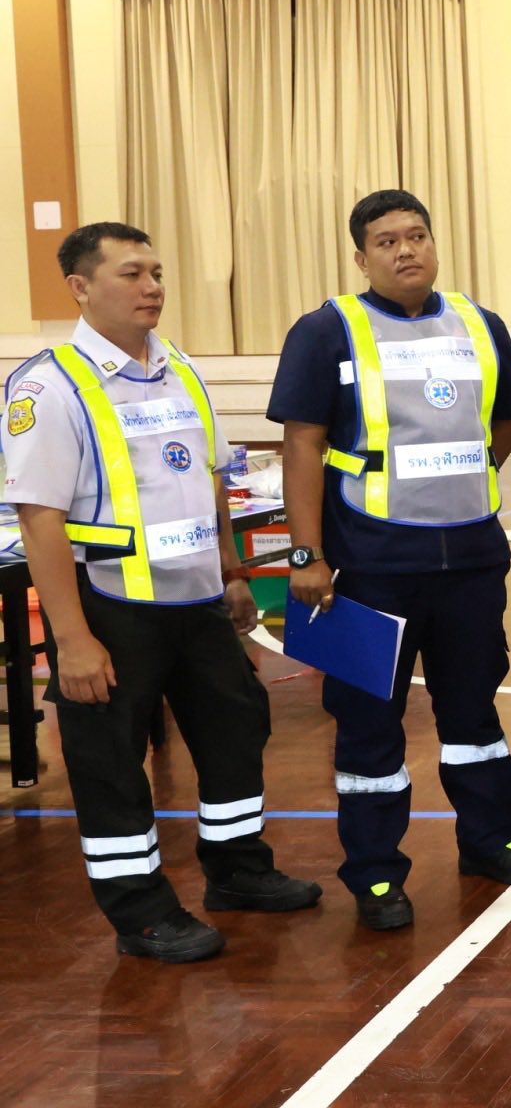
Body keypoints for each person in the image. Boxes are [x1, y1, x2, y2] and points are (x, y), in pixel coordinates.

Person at [4, 223, 321, 962]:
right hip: (109, 607)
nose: (152, 287)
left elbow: (209, 478)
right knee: (112, 761)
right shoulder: (49, 386)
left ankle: (238, 870)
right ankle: (141, 911)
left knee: (236, 730)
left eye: (156, 272)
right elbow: (40, 518)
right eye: (131, 274)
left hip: (197, 601)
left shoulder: (179, 366)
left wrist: (231, 573)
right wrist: (72, 639)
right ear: (81, 288)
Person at [270, 189, 511, 931]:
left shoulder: (480, 324)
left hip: (470, 561)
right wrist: (306, 553)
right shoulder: (326, 331)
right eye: (387, 241)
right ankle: (375, 874)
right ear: (362, 259)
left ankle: (491, 841)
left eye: (417, 235)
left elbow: (510, 418)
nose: (405, 250)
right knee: (369, 725)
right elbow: (301, 446)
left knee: (474, 713)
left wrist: (465, 474)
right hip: (367, 566)